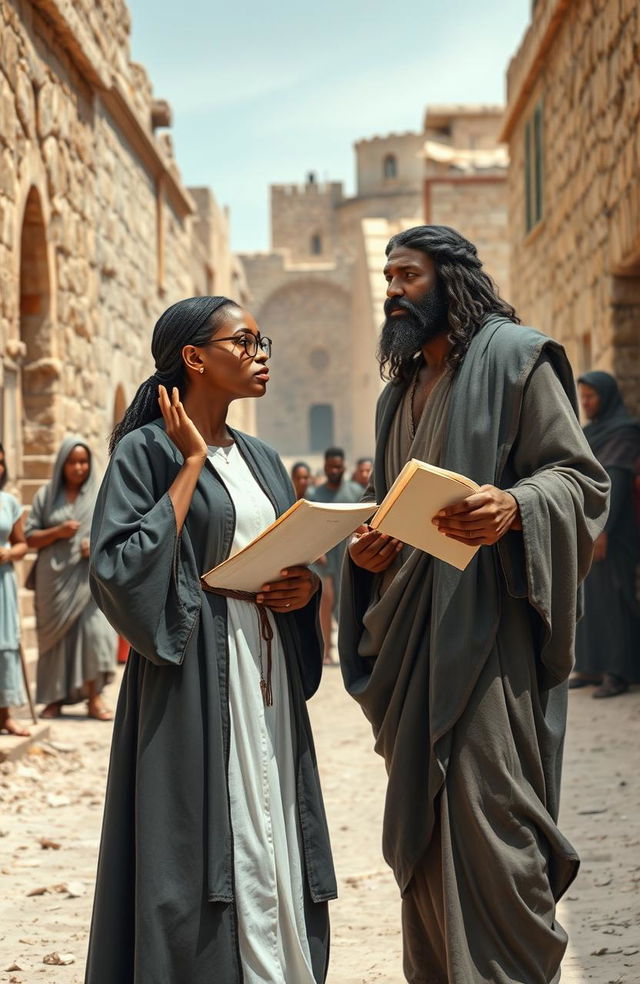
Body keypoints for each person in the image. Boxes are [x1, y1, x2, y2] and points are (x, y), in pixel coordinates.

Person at [338, 225, 609, 984]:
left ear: (451, 278)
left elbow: (581, 482)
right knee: (424, 830)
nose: (392, 289)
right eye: (388, 276)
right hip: (412, 640)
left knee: (494, 812)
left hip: (489, 633)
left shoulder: (517, 358)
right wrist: (362, 556)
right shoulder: (398, 397)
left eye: (409, 275)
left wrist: (515, 506)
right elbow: (382, 504)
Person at [85, 296, 335, 984]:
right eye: (245, 341)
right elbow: (117, 565)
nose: (262, 355)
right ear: (194, 357)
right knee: (201, 833)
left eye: (264, 342)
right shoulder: (146, 451)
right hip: (192, 668)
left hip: (268, 667)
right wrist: (191, 464)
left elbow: (289, 548)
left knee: (273, 815)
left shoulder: (260, 455)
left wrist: (305, 588)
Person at [25, 438, 116, 721]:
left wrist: (96, 543)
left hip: (90, 580)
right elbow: (29, 537)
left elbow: (117, 529)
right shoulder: (46, 496)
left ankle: (94, 698)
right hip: (53, 580)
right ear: (62, 464)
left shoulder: (101, 494)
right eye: (73, 462)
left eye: (83, 461)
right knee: (54, 641)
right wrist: (58, 532)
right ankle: (53, 699)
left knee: (95, 636)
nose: (79, 467)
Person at [571, 371, 640, 697]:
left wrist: (604, 531)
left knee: (615, 599)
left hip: (615, 531)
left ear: (607, 396)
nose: (585, 403)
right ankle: (591, 667)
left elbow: (618, 480)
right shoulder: (588, 433)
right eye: (582, 397)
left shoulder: (624, 431)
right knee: (590, 596)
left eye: (591, 397)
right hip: (589, 526)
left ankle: (618, 672)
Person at [307, 448, 362, 663]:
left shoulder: (355, 491)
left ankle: (353, 651)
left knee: (348, 602)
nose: (335, 470)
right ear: (325, 466)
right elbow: (309, 525)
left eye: (338, 466)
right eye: (331, 466)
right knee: (326, 602)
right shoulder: (314, 494)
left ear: (344, 466)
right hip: (324, 555)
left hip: (348, 554)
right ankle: (326, 650)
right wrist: (317, 550)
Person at [0, 444, 29, 737]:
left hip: (2, 582)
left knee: (4, 643)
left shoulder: (9, 502)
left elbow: (22, 543)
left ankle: (5, 715)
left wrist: (9, 554)